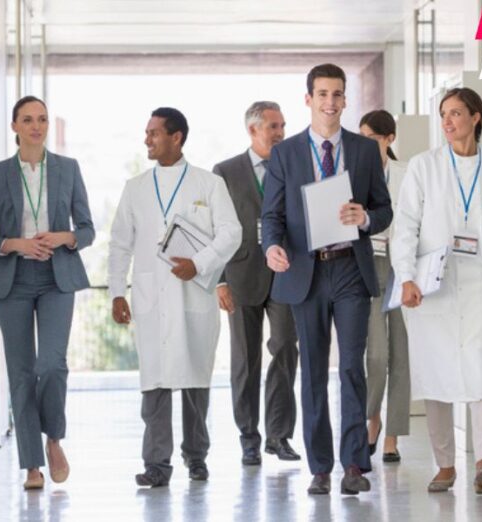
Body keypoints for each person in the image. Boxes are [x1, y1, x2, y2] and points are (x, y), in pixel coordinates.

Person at [261, 63, 392, 495]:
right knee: (314, 370)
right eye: (322, 94)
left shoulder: (363, 150)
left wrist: (366, 217)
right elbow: (272, 215)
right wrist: (271, 247)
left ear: (345, 99)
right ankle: (319, 468)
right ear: (309, 99)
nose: (331, 102)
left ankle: (354, 463)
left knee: (352, 367)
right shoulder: (285, 153)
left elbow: (384, 209)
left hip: (351, 270)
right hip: (306, 272)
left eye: (338, 94)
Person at [108, 107, 242, 488]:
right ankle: (156, 464)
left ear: (177, 137)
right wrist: (118, 293)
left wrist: (199, 264)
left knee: (195, 379)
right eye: (147, 132)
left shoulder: (208, 184)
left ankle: (196, 457)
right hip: (151, 295)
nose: (147, 139)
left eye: (153, 133)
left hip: (193, 294)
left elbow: (231, 233)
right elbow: (120, 244)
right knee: (154, 382)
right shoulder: (135, 187)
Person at [390, 87, 482, 494]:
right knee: (436, 372)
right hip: (432, 285)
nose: (447, 121)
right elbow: (405, 226)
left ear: (476, 117)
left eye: (456, 113)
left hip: (479, 281)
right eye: (444, 113)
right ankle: (445, 464)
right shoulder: (423, 167)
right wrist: (406, 276)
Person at [0, 95, 95, 490]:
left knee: (52, 364)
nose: (36, 126)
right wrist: (16, 244)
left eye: (41, 119)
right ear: (14, 127)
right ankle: (32, 465)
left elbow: (88, 230)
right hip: (14, 283)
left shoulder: (68, 169)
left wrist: (65, 237)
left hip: (58, 279)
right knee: (22, 374)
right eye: (27, 119)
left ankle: (54, 438)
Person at [213, 101, 300, 466]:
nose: (280, 132)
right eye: (273, 126)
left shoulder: (296, 166)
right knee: (245, 360)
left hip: (285, 273)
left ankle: (278, 436)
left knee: (284, 348)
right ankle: (249, 436)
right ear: (253, 130)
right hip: (241, 274)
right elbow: (212, 227)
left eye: (282, 125)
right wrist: (218, 280)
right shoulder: (225, 171)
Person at [359, 110, 411, 463]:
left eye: (372, 138)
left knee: (402, 355)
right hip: (371, 265)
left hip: (405, 267)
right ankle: (372, 416)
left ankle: (392, 436)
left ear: (389, 138)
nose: (366, 145)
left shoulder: (408, 174)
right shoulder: (355, 177)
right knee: (376, 354)